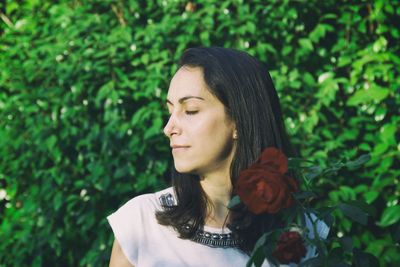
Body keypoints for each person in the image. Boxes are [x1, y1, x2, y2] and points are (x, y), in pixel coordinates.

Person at [107, 47, 328, 267]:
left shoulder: (303, 233)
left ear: (240, 122)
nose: (168, 128)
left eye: (191, 110)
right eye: (170, 111)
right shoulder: (141, 224)